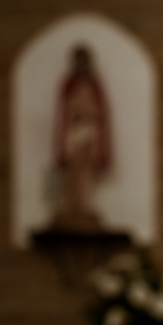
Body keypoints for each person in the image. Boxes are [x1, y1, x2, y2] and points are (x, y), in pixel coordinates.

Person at [51, 44, 111, 231]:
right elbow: (65, 111)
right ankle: (70, 205)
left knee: (86, 173)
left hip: (89, 134)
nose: (82, 65)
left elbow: (98, 111)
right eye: (79, 61)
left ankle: (83, 206)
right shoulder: (69, 85)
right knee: (71, 173)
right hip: (73, 134)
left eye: (85, 61)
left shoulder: (94, 85)